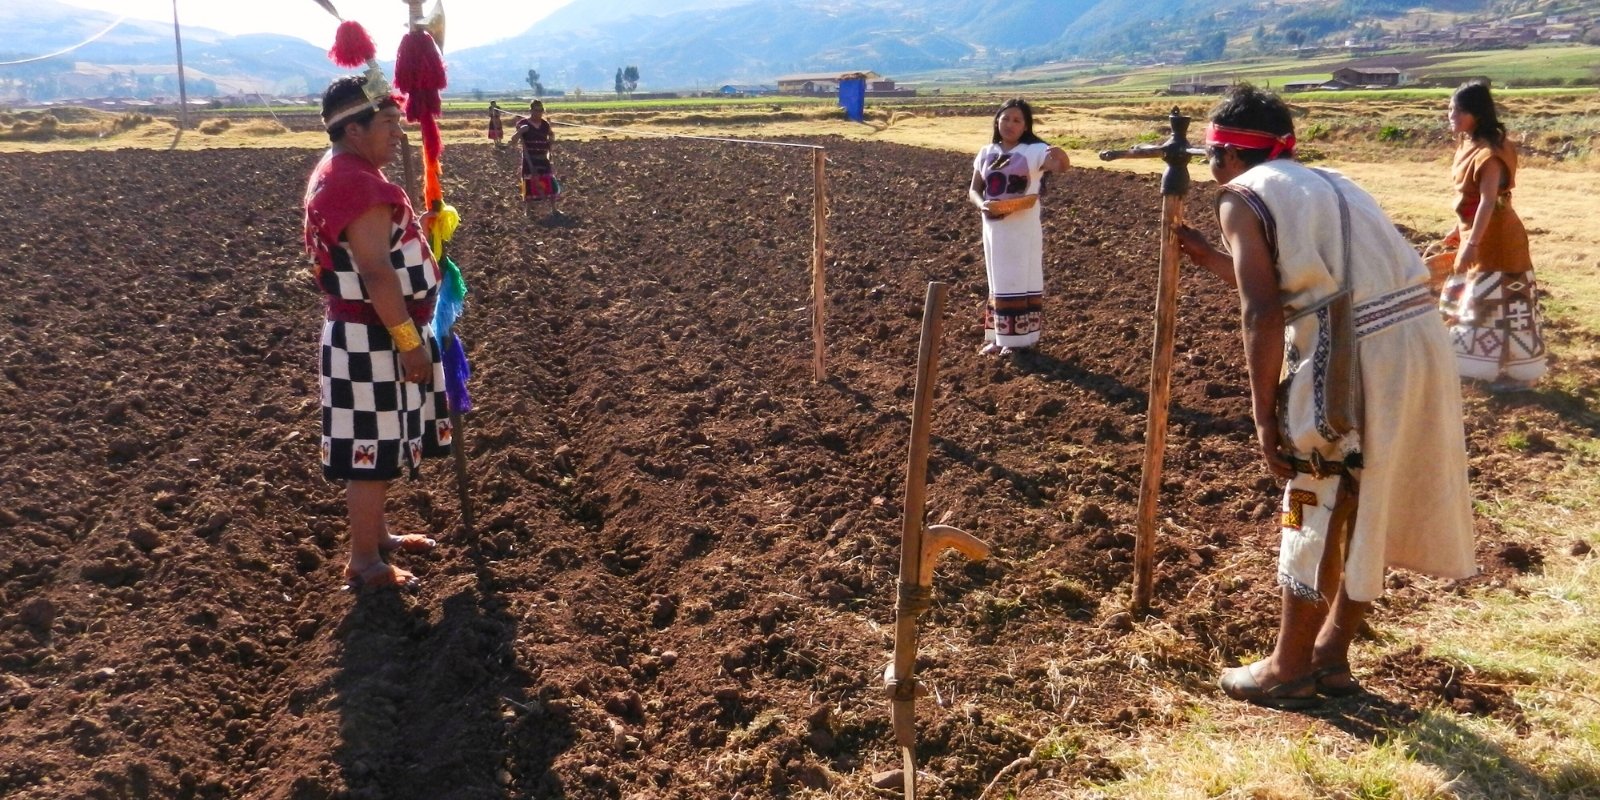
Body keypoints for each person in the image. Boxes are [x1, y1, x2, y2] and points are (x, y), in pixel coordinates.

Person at [1175, 85, 1475, 708]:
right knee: (1371, 493)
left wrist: (1263, 417)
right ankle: (1331, 657)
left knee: (1315, 490)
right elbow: (1306, 287)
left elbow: (1262, 312)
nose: (1209, 168)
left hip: (1354, 354)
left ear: (1230, 155)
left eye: (1211, 155)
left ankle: (1288, 668)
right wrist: (1209, 259)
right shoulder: (1327, 180)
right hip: (1419, 341)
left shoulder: (1241, 197)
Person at [303, 75, 451, 591]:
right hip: (375, 339)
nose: (399, 134)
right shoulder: (355, 183)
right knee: (370, 453)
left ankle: (378, 537)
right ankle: (364, 561)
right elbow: (376, 273)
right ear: (355, 129)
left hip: (371, 335)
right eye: (387, 124)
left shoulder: (349, 173)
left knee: (380, 443)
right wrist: (409, 342)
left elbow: (383, 251)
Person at [1439, 80, 1547, 392]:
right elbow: (1470, 200)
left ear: (1476, 114)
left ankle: (1515, 374)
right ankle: (1478, 367)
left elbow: (1488, 200)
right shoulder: (1468, 145)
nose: (1451, 116)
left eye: (1457, 111)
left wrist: (1471, 243)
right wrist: (1457, 231)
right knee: (1479, 301)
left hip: (1497, 240)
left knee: (1502, 304)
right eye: (1450, 110)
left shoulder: (1490, 152)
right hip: (1479, 231)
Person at [967, 98, 1069, 355]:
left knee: (1018, 276)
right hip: (993, 226)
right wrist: (982, 205)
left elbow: (1058, 165)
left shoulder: (1034, 151)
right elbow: (974, 190)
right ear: (997, 121)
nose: (1010, 124)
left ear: (1025, 126)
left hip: (1021, 228)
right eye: (1005, 119)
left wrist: (1060, 157)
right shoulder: (986, 152)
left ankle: (1019, 340)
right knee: (997, 278)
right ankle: (998, 336)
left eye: (1017, 120)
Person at [509, 99, 562, 218]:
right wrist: (520, 131)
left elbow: (551, 134)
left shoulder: (545, 125)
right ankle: (528, 211)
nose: (539, 113)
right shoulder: (523, 124)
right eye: (536, 110)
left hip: (543, 158)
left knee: (549, 181)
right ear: (531, 110)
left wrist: (551, 140)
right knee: (529, 183)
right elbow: (513, 142)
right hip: (529, 159)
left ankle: (554, 209)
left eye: (541, 110)